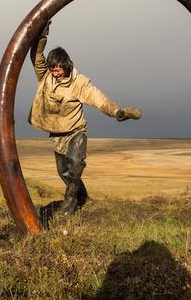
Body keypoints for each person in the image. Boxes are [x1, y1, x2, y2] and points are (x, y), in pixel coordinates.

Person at [28, 21, 141, 215]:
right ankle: (83, 198)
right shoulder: (45, 76)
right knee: (64, 172)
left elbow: (98, 98)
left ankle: (70, 204)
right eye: (52, 69)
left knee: (75, 164)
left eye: (58, 69)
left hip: (76, 132)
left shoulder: (79, 83)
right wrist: (41, 36)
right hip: (56, 134)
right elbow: (37, 56)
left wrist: (115, 111)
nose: (55, 73)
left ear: (66, 65)